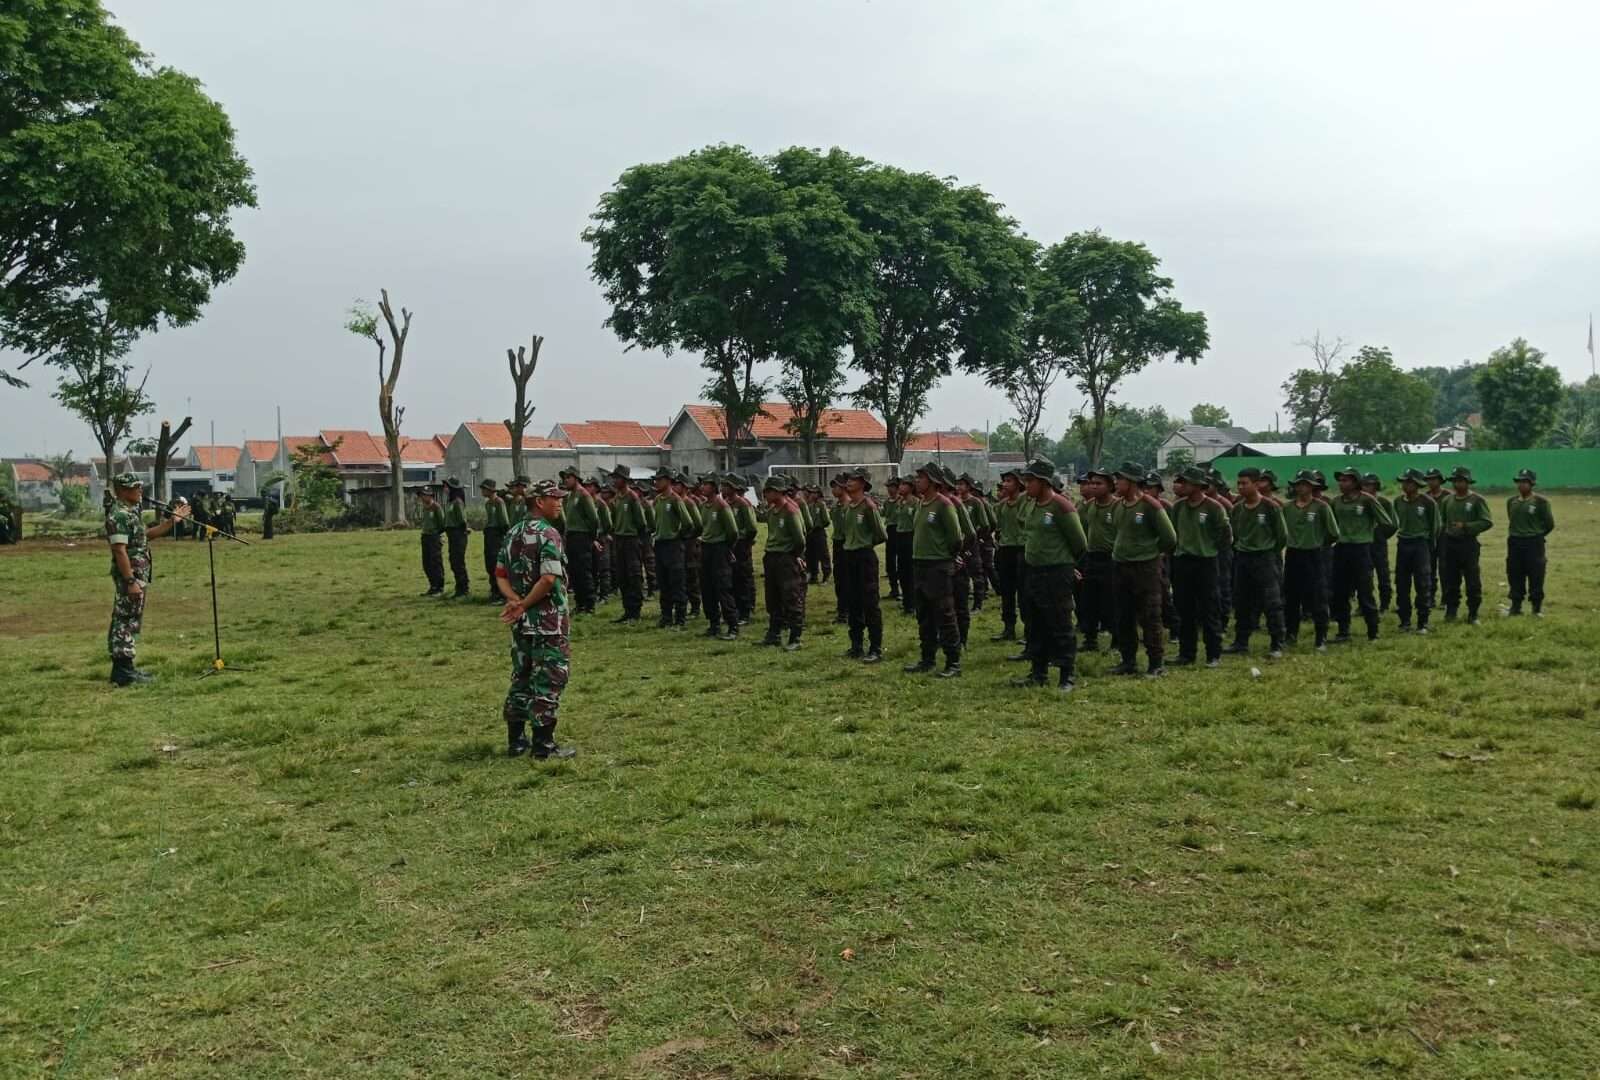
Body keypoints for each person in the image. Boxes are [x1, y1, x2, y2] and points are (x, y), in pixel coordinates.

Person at [496, 479, 575, 760]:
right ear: (539, 501)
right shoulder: (548, 534)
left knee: (522, 676)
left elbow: (500, 575)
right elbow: (548, 578)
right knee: (550, 677)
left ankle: (516, 741)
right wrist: (525, 603)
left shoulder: (513, 532)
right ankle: (544, 744)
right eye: (555, 498)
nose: (560, 502)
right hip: (547, 619)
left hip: (522, 623)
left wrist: (514, 601)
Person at [104, 472, 190, 686]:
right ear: (123, 491)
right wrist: (130, 581)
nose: (140, 490)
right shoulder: (120, 515)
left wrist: (172, 521)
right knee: (125, 620)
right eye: (135, 487)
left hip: (138, 574)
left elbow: (145, 535)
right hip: (130, 576)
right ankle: (123, 671)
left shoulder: (131, 513)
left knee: (131, 620)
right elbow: (119, 550)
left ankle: (126, 668)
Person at [1012, 459, 1087, 692]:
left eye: (1030, 480)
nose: (1027, 485)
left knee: (1060, 623)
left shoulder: (1061, 506)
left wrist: (1067, 566)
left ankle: (1067, 675)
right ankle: (1038, 672)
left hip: (1056, 573)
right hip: (1033, 571)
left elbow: (1080, 543)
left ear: (1044, 482)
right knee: (1035, 624)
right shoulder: (1033, 504)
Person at [1109, 461, 1177, 677]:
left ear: (1132, 482)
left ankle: (1156, 663)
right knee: (1123, 615)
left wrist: (1149, 552)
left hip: (1146, 568)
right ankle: (1128, 661)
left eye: (1120, 479)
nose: (1116, 483)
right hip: (1121, 566)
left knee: (1150, 616)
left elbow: (1169, 538)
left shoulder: (1150, 505)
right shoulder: (1118, 506)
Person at [1168, 465, 1232, 668]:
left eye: (1185, 482)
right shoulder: (1178, 507)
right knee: (1184, 609)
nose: (1181, 485)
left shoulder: (1214, 507)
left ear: (1197, 485)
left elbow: (1225, 534)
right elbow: (1173, 532)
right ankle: (1187, 654)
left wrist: (1210, 547)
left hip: (1206, 562)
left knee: (1209, 609)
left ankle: (1213, 654)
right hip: (1183, 562)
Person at [905, 462, 963, 678]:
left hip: (937, 567)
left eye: (921, 477)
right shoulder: (921, 504)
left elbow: (955, 538)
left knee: (945, 615)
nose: (917, 480)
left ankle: (953, 662)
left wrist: (945, 557)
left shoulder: (943, 504)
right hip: (919, 565)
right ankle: (927, 658)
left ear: (933, 481)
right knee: (924, 615)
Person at [1226, 467, 1288, 658]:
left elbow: (1281, 536)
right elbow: (1235, 535)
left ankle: (1277, 643)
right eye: (1239, 483)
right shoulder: (1237, 509)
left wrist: (1268, 550)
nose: (1241, 487)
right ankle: (1240, 642)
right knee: (1242, 601)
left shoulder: (1270, 507)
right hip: (1243, 558)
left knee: (1272, 603)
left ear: (1256, 484)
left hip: (1265, 558)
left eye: (1245, 483)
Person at [1327, 466, 1392, 642]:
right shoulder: (1336, 502)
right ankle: (1343, 631)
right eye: (1340, 480)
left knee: (1365, 591)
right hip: (1341, 549)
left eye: (1345, 480)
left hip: (1361, 549)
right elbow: (1331, 524)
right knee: (1340, 592)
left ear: (1355, 483)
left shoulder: (1367, 500)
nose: (1341, 483)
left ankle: (1373, 631)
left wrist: (1369, 534)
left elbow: (1386, 522)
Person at [834, 467, 888, 662]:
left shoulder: (868, 506)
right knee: (853, 602)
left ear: (863, 484)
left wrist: (864, 545)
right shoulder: (848, 507)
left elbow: (881, 534)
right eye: (848, 479)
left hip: (864, 557)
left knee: (870, 604)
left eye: (853, 480)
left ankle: (875, 648)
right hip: (849, 556)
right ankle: (856, 645)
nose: (848, 482)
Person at [1438, 466, 1493, 624]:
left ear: (1468, 482)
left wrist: (1467, 526)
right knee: (1450, 579)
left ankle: (1473, 613)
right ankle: (1451, 610)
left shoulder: (1477, 500)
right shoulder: (1447, 500)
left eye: (1461, 481)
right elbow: (1442, 521)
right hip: (1450, 543)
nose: (1457, 484)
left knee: (1472, 580)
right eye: (1455, 481)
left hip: (1468, 544)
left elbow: (1486, 521)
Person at [759, 476, 808, 651]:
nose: (766, 494)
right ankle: (774, 634)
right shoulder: (772, 510)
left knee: (791, 597)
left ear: (779, 492)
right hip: (771, 557)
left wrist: (794, 556)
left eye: (769, 491)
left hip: (786, 558)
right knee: (773, 598)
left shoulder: (790, 509)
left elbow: (800, 539)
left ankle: (796, 637)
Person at [1389, 468, 1438, 633]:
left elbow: (1435, 526)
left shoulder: (1428, 502)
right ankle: (1404, 621)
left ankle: (1423, 622)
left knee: (1422, 583)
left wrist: (1430, 546)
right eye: (1404, 482)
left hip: (1420, 545)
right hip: (1403, 544)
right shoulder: (1397, 502)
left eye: (1410, 482)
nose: (1406, 485)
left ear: (1417, 485)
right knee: (1401, 583)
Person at [1076, 469, 1118, 654]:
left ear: (1110, 486)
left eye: (1098, 483)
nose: (1093, 486)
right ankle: (1090, 639)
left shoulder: (1118, 506)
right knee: (1088, 600)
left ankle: (1117, 640)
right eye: (1091, 483)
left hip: (1112, 559)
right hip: (1091, 557)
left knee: (1113, 601)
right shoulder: (1087, 506)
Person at [695, 474, 740, 640]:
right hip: (706, 548)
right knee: (707, 588)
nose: (702, 487)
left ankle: (732, 626)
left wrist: (726, 548)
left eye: (706, 484)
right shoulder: (704, 505)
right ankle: (713, 624)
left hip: (719, 549)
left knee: (723, 587)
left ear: (714, 487)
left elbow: (733, 532)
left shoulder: (721, 505)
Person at [1505, 468, 1555, 617]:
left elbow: (1549, 524)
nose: (1521, 485)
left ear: (1532, 484)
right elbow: (1512, 520)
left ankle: (1536, 607)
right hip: (1514, 542)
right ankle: (1515, 606)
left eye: (1525, 482)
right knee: (1514, 573)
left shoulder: (1541, 502)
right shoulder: (1511, 502)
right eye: (1519, 482)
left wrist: (1536, 535)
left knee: (1536, 574)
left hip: (1534, 542)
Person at [990, 468, 1026, 643]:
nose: (1005, 484)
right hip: (1005, 550)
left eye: (1009, 481)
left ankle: (1029, 629)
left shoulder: (1026, 502)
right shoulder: (1002, 506)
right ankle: (1008, 627)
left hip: (1022, 550)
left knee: (1025, 593)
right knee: (1007, 592)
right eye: (1004, 481)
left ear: (1019, 483)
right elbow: (999, 528)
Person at [607, 466, 646, 623]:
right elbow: (615, 519)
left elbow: (641, 522)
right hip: (620, 539)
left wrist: (639, 540)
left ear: (625, 480)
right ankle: (627, 610)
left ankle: (635, 611)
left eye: (617, 478)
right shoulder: (616, 498)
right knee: (622, 576)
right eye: (614, 477)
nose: (614, 480)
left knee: (633, 576)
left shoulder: (632, 497)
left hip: (631, 539)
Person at [559, 467, 598, 614]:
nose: (565, 480)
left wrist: (591, 536)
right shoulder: (569, 496)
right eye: (565, 478)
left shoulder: (583, 494)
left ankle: (589, 604)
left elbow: (594, 519)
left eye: (568, 477)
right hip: (571, 537)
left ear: (576, 478)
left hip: (582, 537)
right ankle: (580, 603)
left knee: (584, 571)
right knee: (574, 572)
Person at [723, 474, 758, 625]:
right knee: (731, 578)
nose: (723, 488)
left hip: (741, 545)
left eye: (727, 486)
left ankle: (745, 612)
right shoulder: (726, 503)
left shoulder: (743, 504)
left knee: (742, 576)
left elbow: (751, 528)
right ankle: (734, 609)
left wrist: (742, 538)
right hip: (729, 544)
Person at [1361, 473, 1395, 613]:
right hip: (1363, 542)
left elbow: (1392, 524)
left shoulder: (1385, 502)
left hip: (1378, 543)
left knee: (1383, 574)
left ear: (1375, 486)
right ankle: (1365, 604)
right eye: (1363, 485)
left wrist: (1381, 535)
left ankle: (1385, 604)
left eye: (1368, 485)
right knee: (1364, 576)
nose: (1365, 488)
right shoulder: (1360, 501)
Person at [478, 479, 509, 603]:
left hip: (498, 535)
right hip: (489, 534)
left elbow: (504, 522)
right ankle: (494, 591)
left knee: (497, 564)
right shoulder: (488, 504)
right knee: (489, 564)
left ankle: (502, 594)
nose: (482, 491)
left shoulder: (499, 502)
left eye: (484, 489)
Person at [442, 476, 471, 598]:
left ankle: (463, 588)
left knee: (458, 561)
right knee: (453, 561)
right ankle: (459, 587)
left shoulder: (457, 502)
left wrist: (464, 529)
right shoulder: (450, 502)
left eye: (446, 486)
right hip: (451, 534)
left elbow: (462, 519)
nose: (445, 489)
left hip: (458, 534)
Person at [415, 486, 447, 596]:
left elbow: (442, 524)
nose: (422, 497)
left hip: (434, 537)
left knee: (436, 563)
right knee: (426, 563)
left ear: (430, 496)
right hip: (425, 536)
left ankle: (439, 588)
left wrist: (439, 536)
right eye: (421, 495)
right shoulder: (424, 507)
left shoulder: (436, 507)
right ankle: (432, 586)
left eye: (424, 495)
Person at [894, 478, 918, 617]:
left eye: (903, 484)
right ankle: (906, 602)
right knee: (902, 570)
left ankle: (913, 603)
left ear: (910, 487)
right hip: (900, 536)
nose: (900, 487)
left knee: (911, 571)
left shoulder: (915, 502)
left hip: (911, 536)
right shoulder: (900, 502)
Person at [829, 475, 849, 623]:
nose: (833, 490)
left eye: (836, 486)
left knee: (846, 579)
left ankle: (846, 611)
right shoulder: (836, 507)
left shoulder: (849, 506)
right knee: (839, 578)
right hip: (837, 543)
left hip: (847, 544)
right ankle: (841, 607)